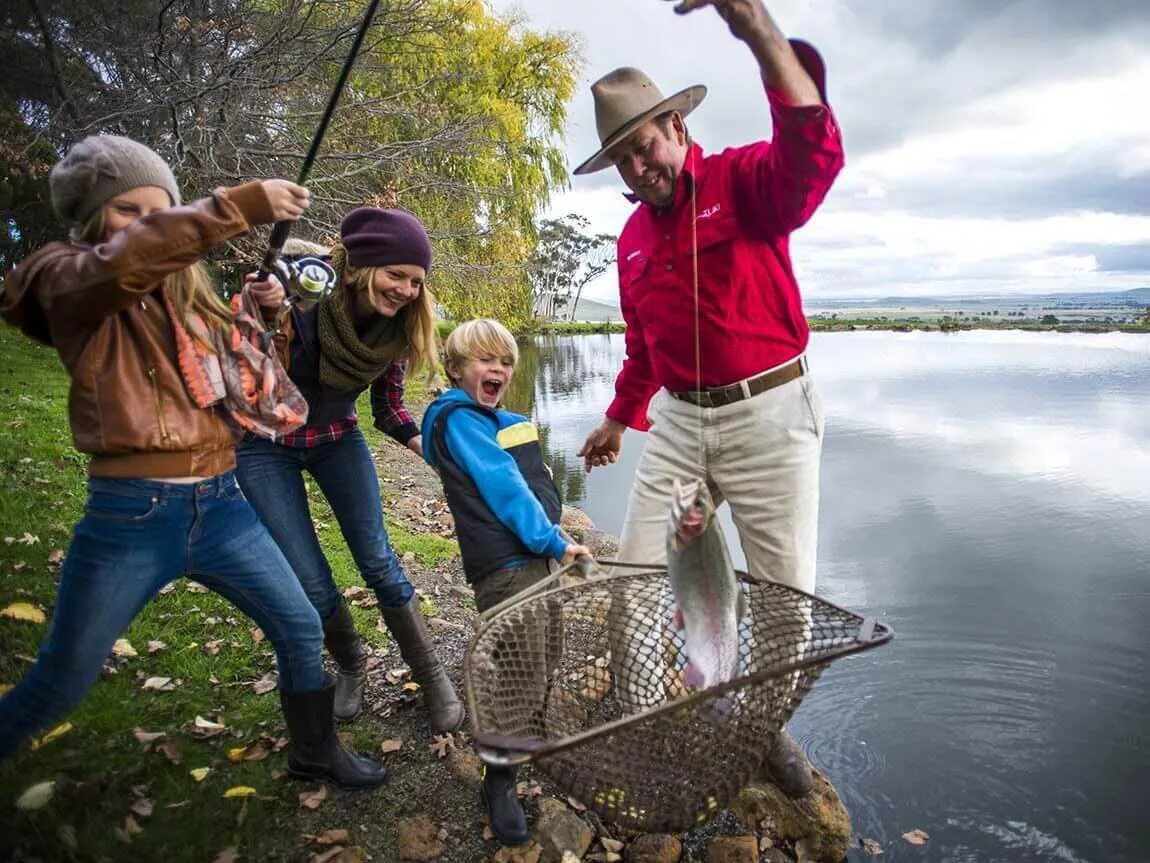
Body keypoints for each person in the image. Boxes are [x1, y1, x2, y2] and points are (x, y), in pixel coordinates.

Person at [0, 134, 387, 787]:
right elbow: (123, 264)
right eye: (128, 210)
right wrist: (238, 206)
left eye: (161, 209)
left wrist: (268, 314)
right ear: (91, 219)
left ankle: (315, 752)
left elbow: (242, 379)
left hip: (223, 505)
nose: (145, 224)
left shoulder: (185, 291)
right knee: (61, 680)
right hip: (132, 515)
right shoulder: (62, 276)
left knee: (300, 626)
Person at [574, 0, 844, 798]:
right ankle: (647, 718)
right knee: (632, 576)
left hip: (773, 413)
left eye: (645, 144)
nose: (638, 166)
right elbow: (644, 346)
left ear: (678, 128)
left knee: (786, 602)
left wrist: (756, 30)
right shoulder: (631, 241)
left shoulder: (742, 180)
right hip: (682, 420)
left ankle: (758, 730)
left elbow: (813, 159)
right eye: (622, 157)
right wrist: (618, 417)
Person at [238, 208, 463, 731]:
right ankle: (351, 665)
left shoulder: (397, 328)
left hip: (336, 438)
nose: (406, 290)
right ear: (362, 265)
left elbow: (389, 411)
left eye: (416, 281)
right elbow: (245, 347)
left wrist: (437, 456)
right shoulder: (302, 292)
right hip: (265, 446)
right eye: (396, 275)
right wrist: (261, 306)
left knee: (378, 561)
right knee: (310, 579)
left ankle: (431, 675)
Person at [421, 318, 590, 845]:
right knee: (520, 669)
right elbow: (505, 486)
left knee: (546, 651)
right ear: (454, 369)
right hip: (507, 567)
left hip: (530, 559)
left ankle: (529, 737)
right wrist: (555, 541)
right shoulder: (462, 420)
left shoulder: (483, 419)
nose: (498, 369)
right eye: (484, 360)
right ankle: (499, 778)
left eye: (506, 362)